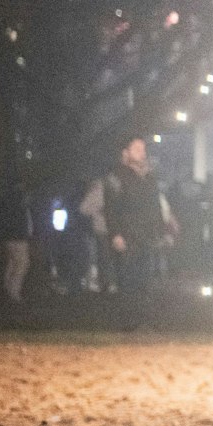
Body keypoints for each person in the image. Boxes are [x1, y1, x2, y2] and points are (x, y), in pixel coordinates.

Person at [80, 136, 176, 322]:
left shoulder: (149, 177)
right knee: (127, 278)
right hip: (127, 235)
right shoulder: (115, 177)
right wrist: (116, 234)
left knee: (145, 278)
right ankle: (127, 319)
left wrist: (162, 232)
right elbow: (111, 209)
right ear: (126, 153)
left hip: (147, 236)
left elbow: (155, 207)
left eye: (143, 149)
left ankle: (145, 318)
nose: (142, 153)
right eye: (137, 149)